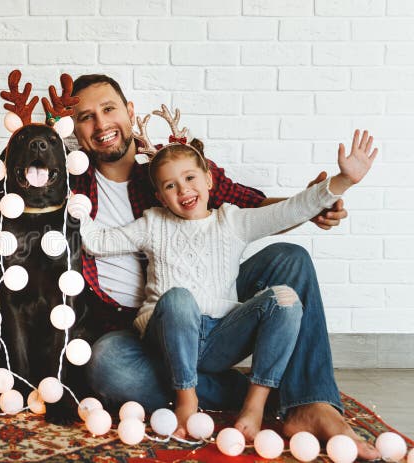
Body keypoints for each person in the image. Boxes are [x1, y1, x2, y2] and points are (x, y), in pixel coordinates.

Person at [70, 74, 380, 459]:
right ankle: (263, 391)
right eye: (85, 116)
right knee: (107, 366)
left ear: (129, 112)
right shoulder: (70, 180)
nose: (101, 125)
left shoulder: (173, 162)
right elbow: (91, 236)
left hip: (218, 317)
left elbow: (262, 209)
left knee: (290, 259)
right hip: (142, 330)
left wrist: (322, 199)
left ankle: (311, 404)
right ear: (73, 128)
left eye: (109, 109)